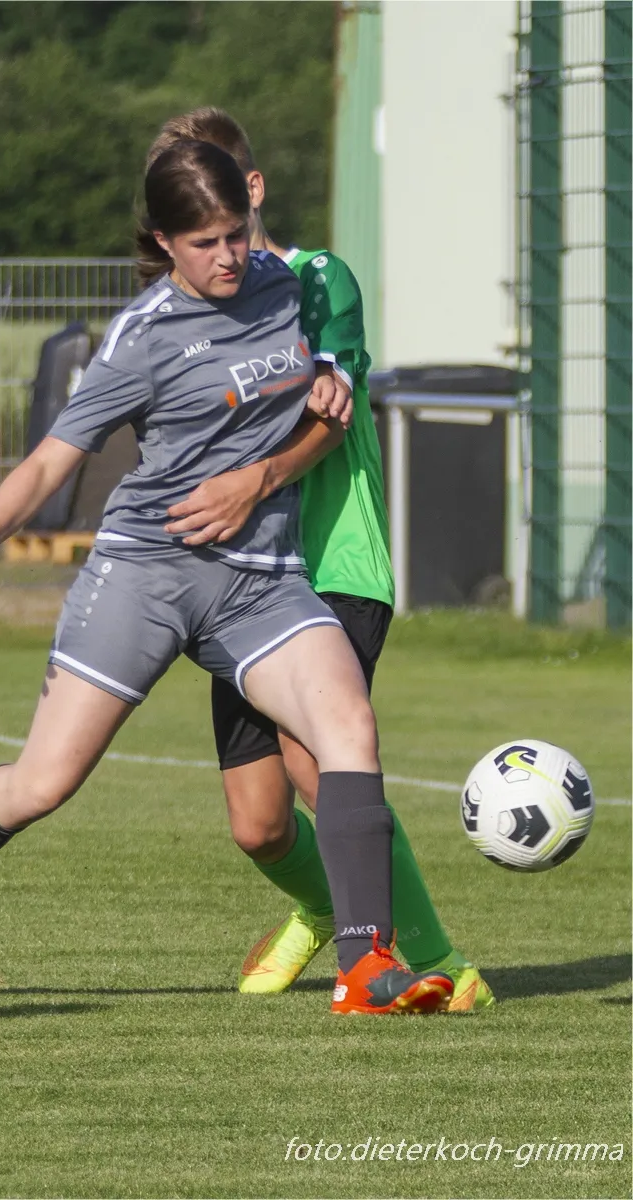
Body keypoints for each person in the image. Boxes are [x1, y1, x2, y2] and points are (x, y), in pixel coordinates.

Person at [0, 139, 454, 1016]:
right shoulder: (142, 337)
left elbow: (330, 412)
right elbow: (53, 458)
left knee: (348, 726)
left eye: (238, 233)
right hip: (147, 573)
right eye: (206, 242)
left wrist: (290, 439)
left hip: (260, 581)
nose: (230, 255)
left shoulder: (291, 291)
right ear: (165, 241)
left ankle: (365, 964)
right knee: (43, 783)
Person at [145, 109, 494, 1013]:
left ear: (252, 188)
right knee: (259, 825)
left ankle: (440, 963)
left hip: (334, 565)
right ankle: (326, 906)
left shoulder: (318, 277)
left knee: (317, 763)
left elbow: (329, 392)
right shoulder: (190, 317)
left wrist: (255, 466)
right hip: (243, 584)